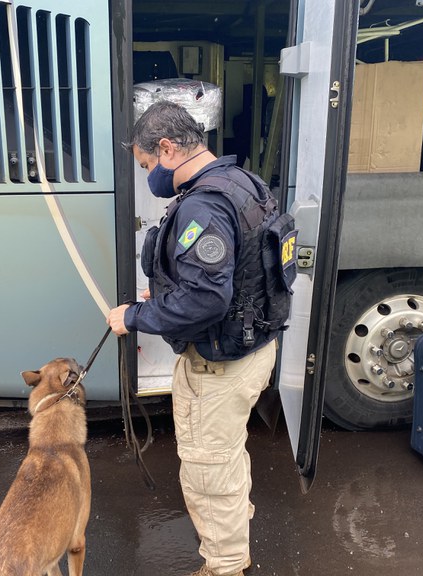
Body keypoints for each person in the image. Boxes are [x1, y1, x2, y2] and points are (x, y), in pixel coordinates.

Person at [107, 100, 285, 576]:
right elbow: (236, 271)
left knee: (207, 468)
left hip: (218, 364)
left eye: (147, 165)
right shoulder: (241, 182)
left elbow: (207, 299)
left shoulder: (203, 205)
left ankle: (225, 566)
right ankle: (235, 540)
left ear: (166, 148)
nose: (150, 175)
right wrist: (166, 289)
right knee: (226, 455)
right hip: (250, 349)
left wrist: (137, 315)